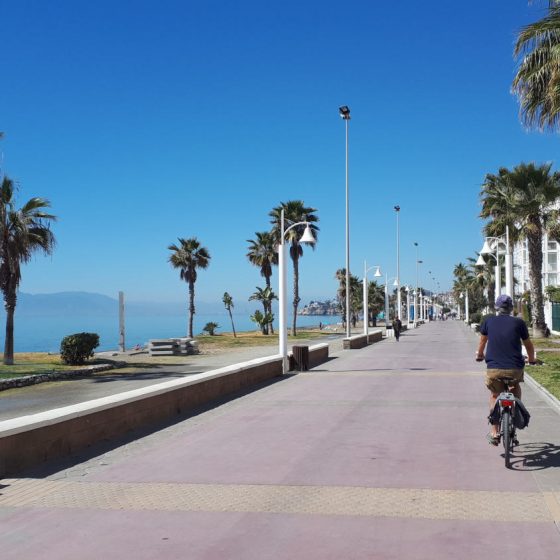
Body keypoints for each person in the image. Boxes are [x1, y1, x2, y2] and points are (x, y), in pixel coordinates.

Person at [476, 294, 536, 445]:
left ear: (496, 308)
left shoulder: (488, 321)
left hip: (494, 369)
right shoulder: (519, 322)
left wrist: (480, 355)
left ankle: (494, 431)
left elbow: (482, 341)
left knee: (495, 395)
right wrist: (532, 359)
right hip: (515, 368)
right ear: (511, 308)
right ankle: (515, 412)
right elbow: (528, 345)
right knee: (515, 386)